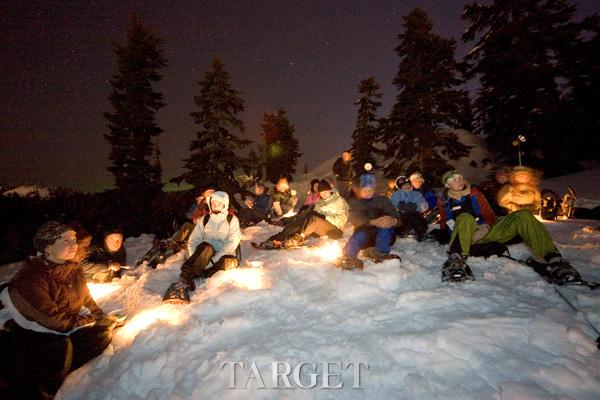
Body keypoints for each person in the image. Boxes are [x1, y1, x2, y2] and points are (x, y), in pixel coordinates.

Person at [0, 222, 122, 398]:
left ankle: (60, 363)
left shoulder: (73, 267)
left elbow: (85, 298)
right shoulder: (32, 277)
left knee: (102, 334)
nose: (74, 244)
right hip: (33, 328)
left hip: (63, 323)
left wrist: (101, 315)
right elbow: (53, 321)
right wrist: (89, 320)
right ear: (47, 247)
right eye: (65, 240)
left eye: (73, 239)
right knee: (60, 348)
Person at [438, 170, 580, 283]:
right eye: (453, 180)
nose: (458, 181)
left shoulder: (475, 194)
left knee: (523, 215)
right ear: (447, 185)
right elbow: (445, 225)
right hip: (465, 237)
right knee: (465, 217)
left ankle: (554, 260)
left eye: (459, 177)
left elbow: (489, 216)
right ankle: (455, 259)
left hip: (487, 231)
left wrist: (485, 227)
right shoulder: (443, 202)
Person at [163, 191, 242, 304]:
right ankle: (184, 279)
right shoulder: (205, 219)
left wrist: (214, 260)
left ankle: (200, 275)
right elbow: (194, 239)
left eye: (219, 203)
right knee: (207, 247)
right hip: (204, 252)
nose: (215, 205)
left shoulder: (232, 220)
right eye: (213, 203)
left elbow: (232, 242)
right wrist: (195, 256)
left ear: (225, 204)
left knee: (231, 263)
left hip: (222, 255)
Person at [255, 180, 348, 249]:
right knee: (304, 218)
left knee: (314, 218)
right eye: (321, 193)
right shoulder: (320, 202)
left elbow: (342, 220)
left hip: (335, 230)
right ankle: (278, 237)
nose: (324, 195)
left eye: (326, 192)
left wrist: (325, 217)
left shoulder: (339, 201)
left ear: (330, 190)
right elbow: (309, 215)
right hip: (319, 228)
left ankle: (297, 239)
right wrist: (297, 219)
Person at [337, 174, 402, 270]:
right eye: (365, 190)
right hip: (365, 232)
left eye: (370, 190)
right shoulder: (354, 202)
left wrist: (394, 220)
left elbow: (396, 215)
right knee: (358, 237)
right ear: (359, 191)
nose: (368, 193)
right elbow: (355, 218)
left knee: (386, 229)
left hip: (384, 235)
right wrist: (372, 222)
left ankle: (381, 254)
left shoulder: (383, 200)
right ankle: (349, 257)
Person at [390, 176, 429, 240]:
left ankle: (421, 232)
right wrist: (399, 206)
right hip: (402, 214)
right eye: (404, 185)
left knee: (417, 219)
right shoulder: (396, 194)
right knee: (403, 220)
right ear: (400, 187)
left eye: (408, 184)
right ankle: (404, 231)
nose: (407, 186)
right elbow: (392, 203)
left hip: (414, 213)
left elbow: (423, 204)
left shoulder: (416, 194)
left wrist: (416, 206)